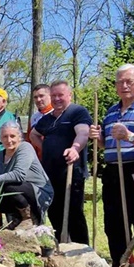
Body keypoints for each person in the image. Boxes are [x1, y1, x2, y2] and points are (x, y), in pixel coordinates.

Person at [89, 64, 134, 267]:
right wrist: (98, 138)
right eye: (120, 82)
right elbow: (107, 145)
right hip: (113, 172)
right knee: (114, 223)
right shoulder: (111, 112)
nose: (124, 86)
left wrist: (128, 136)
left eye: (129, 81)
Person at [30, 80, 92, 243]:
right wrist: (46, 148)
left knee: (74, 213)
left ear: (69, 95)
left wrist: (75, 149)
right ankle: (61, 244)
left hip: (71, 172)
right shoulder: (47, 119)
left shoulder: (77, 112)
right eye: (54, 96)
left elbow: (83, 133)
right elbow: (33, 134)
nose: (57, 99)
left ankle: (81, 248)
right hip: (50, 174)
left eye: (60, 95)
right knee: (54, 212)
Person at [0, 121, 53, 229]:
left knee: (8, 186)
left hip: (37, 191)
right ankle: (17, 218)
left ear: (19, 137)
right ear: (0, 139)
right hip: (15, 191)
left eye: (12, 136)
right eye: (5, 137)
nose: (9, 140)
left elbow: (18, 175)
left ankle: (28, 218)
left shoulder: (25, 148)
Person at [28, 84, 53, 159]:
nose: (38, 100)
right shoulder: (34, 117)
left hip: (53, 157)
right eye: (35, 97)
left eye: (41, 96)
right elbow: (29, 140)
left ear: (50, 96)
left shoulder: (56, 114)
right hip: (37, 159)